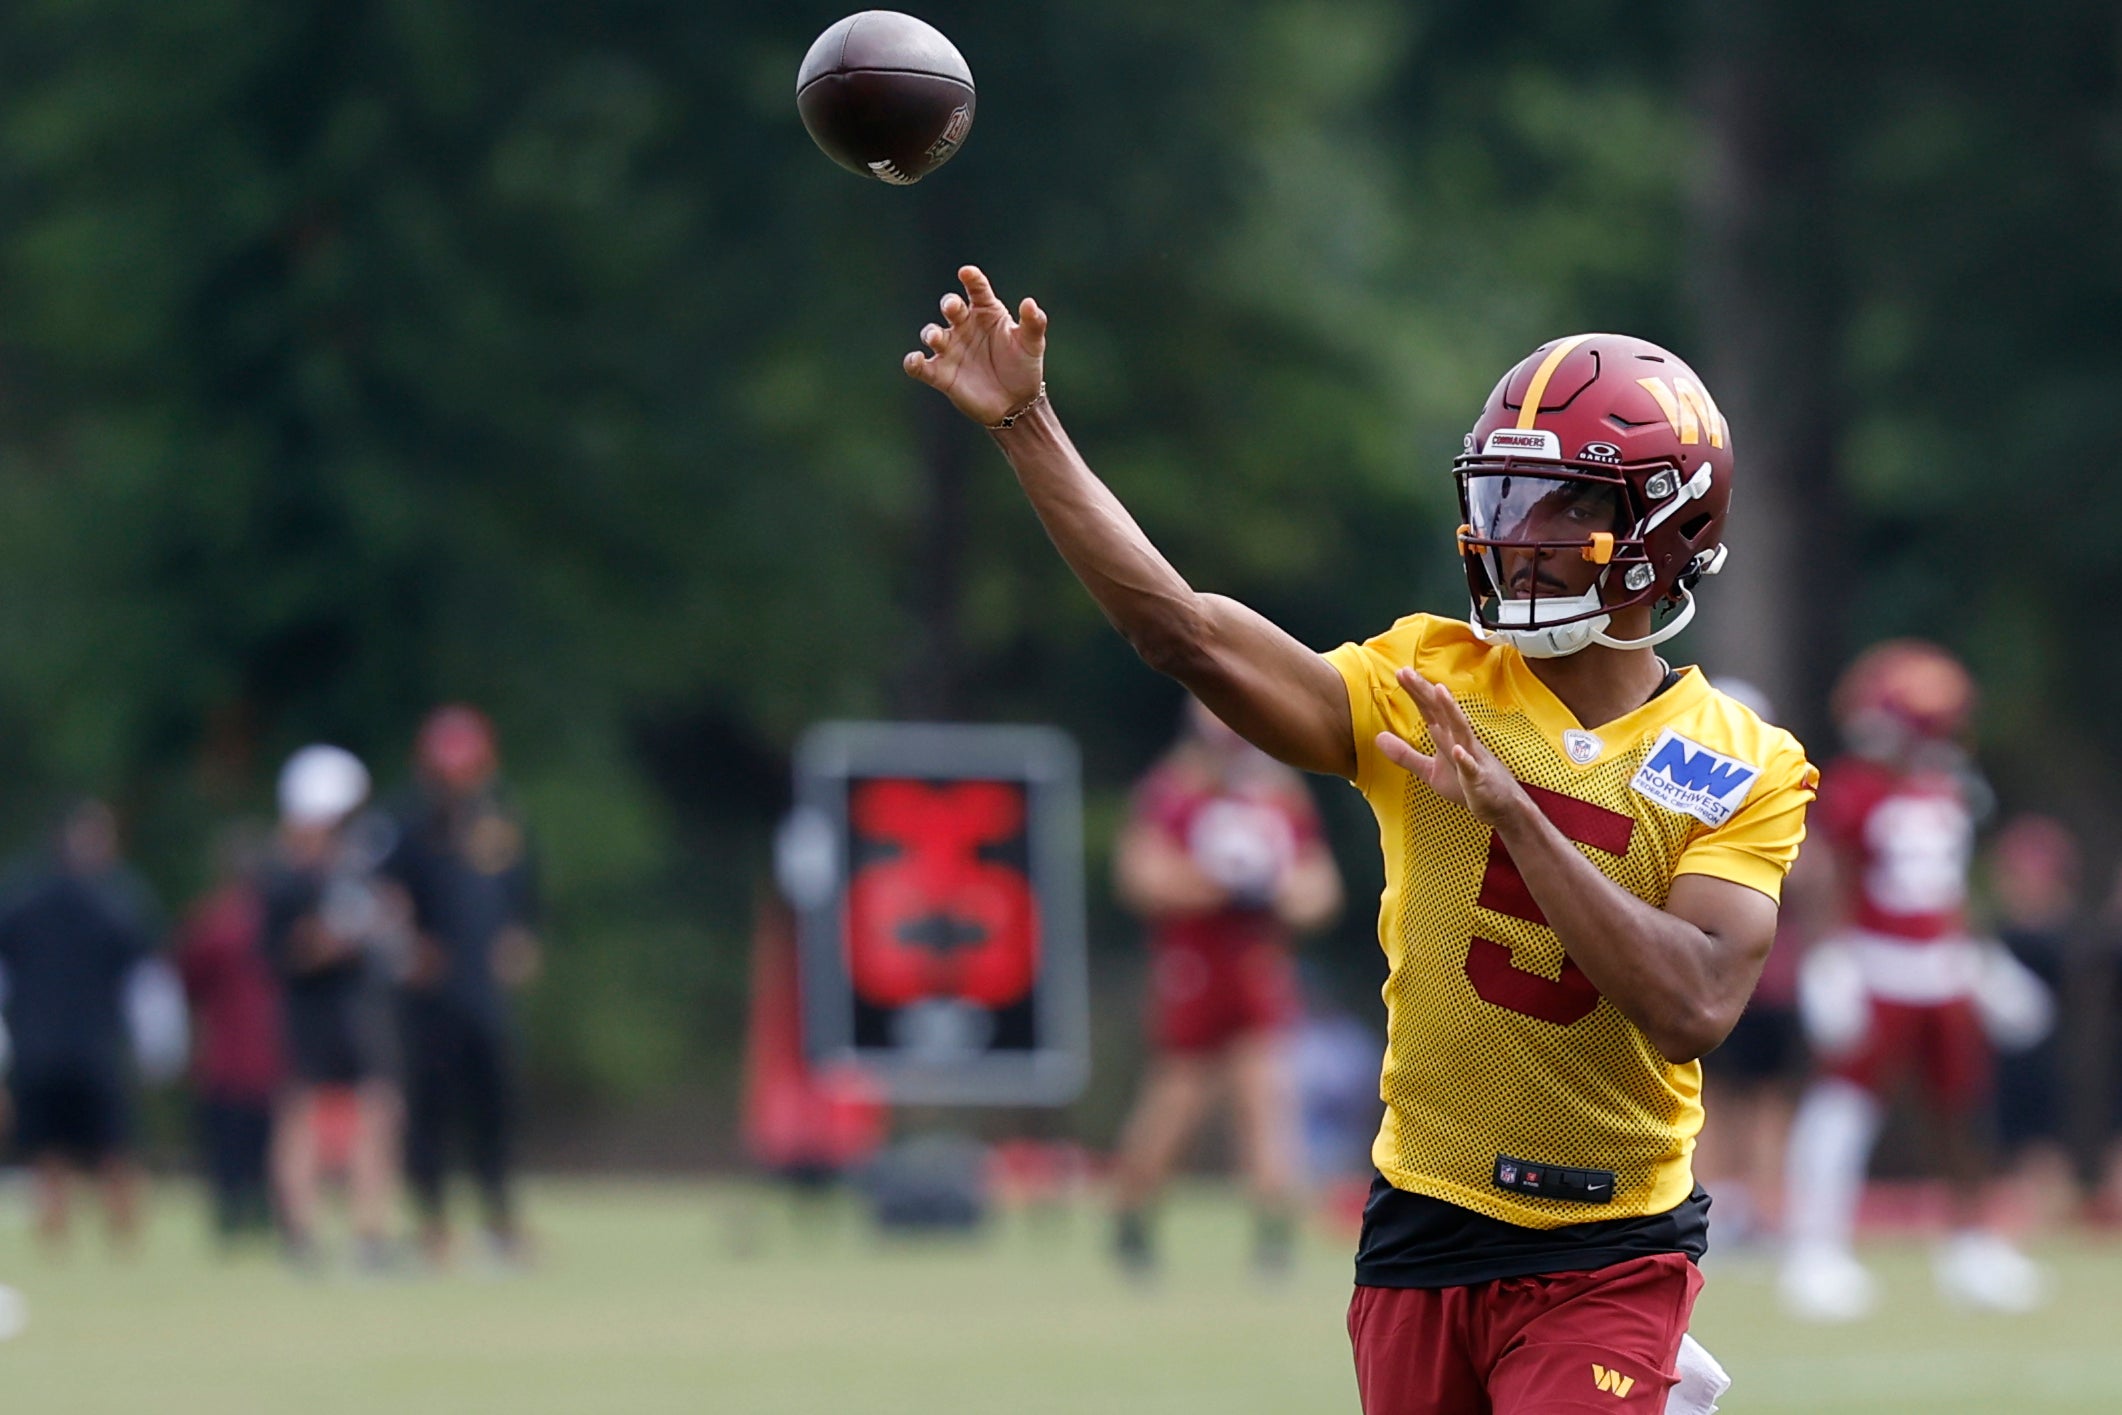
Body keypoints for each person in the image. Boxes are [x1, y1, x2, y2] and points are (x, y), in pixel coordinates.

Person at [906, 271, 1812, 1413]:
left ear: (1659, 529)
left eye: (1556, 507)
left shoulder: (1743, 759)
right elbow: (1180, 632)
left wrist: (1517, 817)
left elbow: (1694, 1003)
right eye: (1501, 499)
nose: (1509, 537)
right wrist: (1026, 426)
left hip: (1606, 1243)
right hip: (1421, 1221)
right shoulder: (1429, 677)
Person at [1778, 642, 2046, 1319]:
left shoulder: (1949, 785)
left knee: (1962, 1111)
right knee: (1843, 1109)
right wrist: (1829, 959)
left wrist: (1983, 960)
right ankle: (1815, 1249)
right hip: (1875, 963)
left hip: (1943, 969)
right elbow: (1824, 877)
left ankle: (1973, 1246)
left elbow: (1952, 888)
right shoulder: (1853, 787)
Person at [1108, 697, 1343, 1278]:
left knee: (1267, 1101)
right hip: (1193, 965)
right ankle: (1132, 1220)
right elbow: (1142, 877)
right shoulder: (1173, 790)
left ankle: (1273, 1239)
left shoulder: (1277, 794)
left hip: (1257, 964)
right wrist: (1216, 886)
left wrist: (1280, 891)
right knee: (1176, 1103)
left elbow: (1319, 887)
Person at [384, 705, 540, 1267]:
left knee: (494, 1109)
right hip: (429, 998)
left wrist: (522, 940)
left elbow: (525, 896)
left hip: (485, 994)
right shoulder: (405, 826)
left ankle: (500, 1223)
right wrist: (408, 948)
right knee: (428, 1111)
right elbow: (382, 901)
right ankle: (432, 1227)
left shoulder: (501, 822)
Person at [262, 745, 408, 1271]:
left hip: (361, 1002)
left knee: (378, 1109)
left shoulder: (359, 865)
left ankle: (371, 1232)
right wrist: (346, 936)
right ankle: (300, 1233)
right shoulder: (287, 877)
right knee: (302, 1112)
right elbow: (293, 948)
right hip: (312, 1007)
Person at [0, 800, 159, 1253]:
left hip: (70, 1046)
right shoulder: (117, 900)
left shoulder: (26, 898)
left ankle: (121, 1237)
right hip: (75, 1047)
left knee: (107, 1148)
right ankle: (62, 1238)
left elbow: (143, 981)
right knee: (55, 1150)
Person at [173, 826, 282, 1247]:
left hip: (225, 1055)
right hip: (271, 1053)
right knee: (266, 1146)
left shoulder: (212, 920)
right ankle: (264, 1215)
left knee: (227, 1150)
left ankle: (232, 1218)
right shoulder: (281, 916)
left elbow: (185, 980)